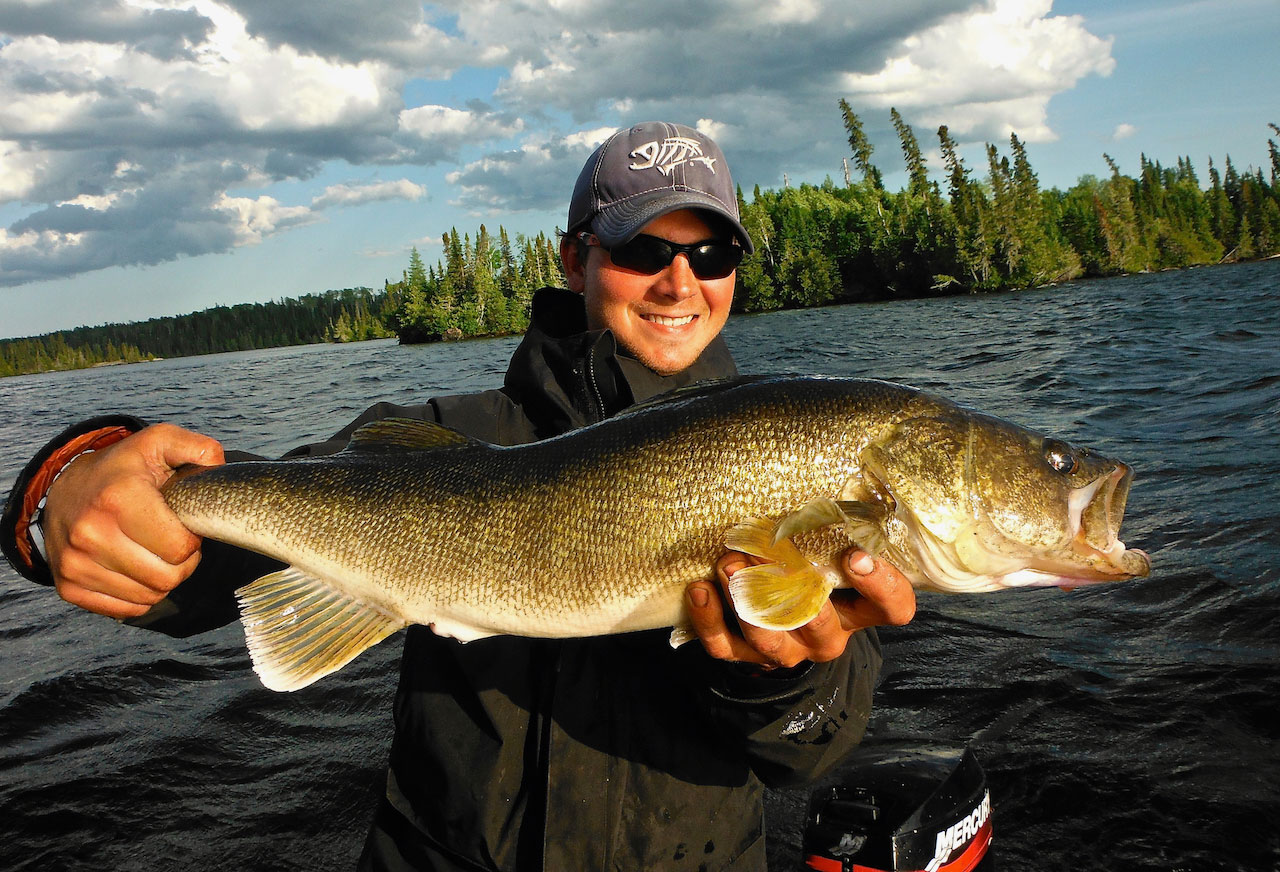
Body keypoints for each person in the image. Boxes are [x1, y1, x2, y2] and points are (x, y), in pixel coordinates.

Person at [2, 122, 916, 871]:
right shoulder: (434, 433)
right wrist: (70, 480)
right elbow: (207, 539)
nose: (681, 282)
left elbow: (807, 751)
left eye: (712, 252)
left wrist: (777, 674)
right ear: (575, 258)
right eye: (643, 248)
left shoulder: (804, 456)